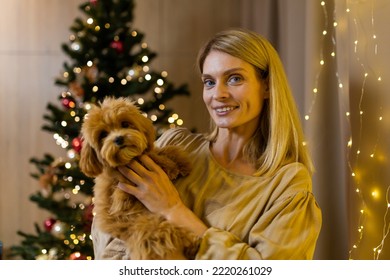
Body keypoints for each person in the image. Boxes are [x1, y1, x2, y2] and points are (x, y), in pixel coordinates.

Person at [91, 28, 322, 260]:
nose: (218, 94)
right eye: (209, 82)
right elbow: (110, 224)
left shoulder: (286, 183)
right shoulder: (177, 144)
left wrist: (173, 210)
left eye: (234, 79)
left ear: (266, 86)